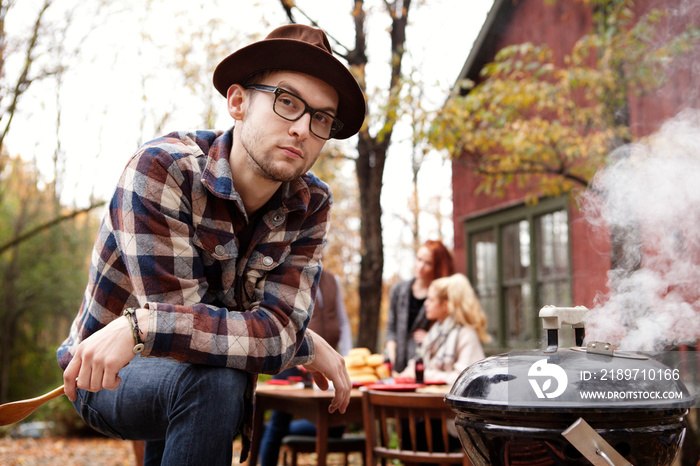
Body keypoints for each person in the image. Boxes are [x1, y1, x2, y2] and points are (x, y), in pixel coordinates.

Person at [56, 24, 366, 466]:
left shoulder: (311, 203)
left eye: (321, 118)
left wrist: (291, 336)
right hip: (103, 374)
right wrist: (306, 344)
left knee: (213, 373)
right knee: (215, 379)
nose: (302, 128)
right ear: (238, 102)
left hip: (181, 363)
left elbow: (267, 332)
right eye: (287, 102)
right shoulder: (163, 170)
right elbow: (185, 333)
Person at [258, 268, 352, 466]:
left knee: (335, 423)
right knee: (279, 421)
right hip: (294, 354)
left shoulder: (332, 279)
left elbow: (342, 320)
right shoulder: (294, 273)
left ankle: (266, 430)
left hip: (327, 358)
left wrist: (347, 354)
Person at [398, 273, 491, 386]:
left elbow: (465, 378)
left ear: (446, 306)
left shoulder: (466, 334)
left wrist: (422, 374)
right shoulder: (436, 332)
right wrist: (407, 372)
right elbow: (419, 361)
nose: (426, 303)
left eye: (431, 300)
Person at [384, 240, 454, 374]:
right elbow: (391, 329)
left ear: (436, 267)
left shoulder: (439, 296)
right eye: (419, 259)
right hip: (397, 367)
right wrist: (391, 357)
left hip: (424, 368)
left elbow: (447, 330)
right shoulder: (399, 290)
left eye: (428, 263)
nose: (420, 266)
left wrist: (431, 338)